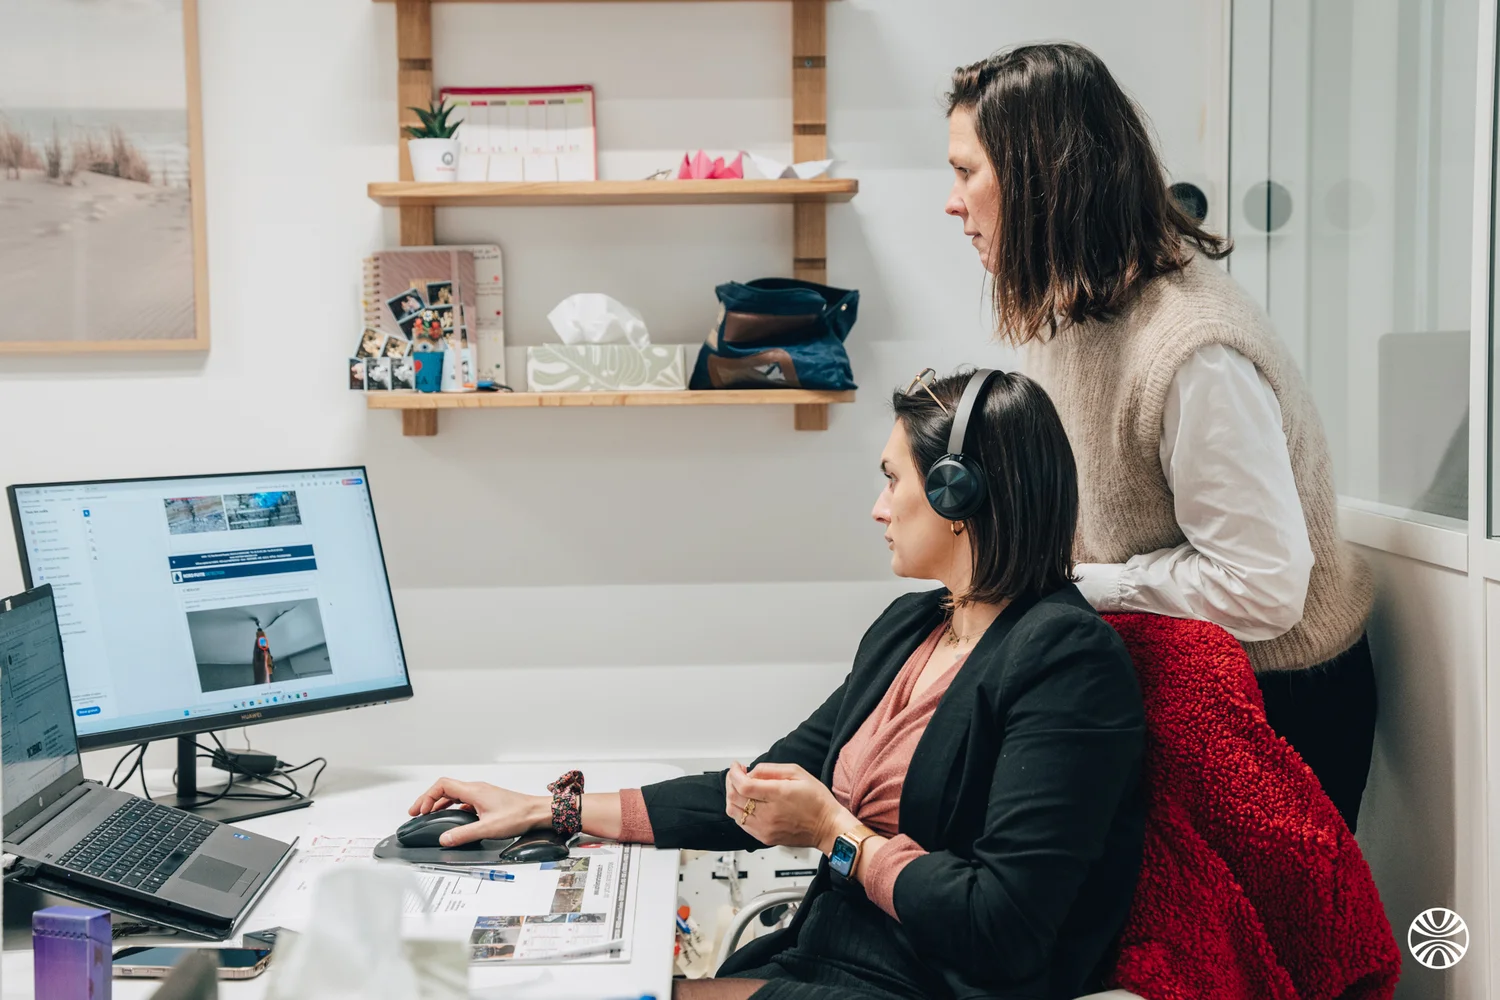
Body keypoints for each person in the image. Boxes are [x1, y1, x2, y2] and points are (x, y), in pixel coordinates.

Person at [411, 369, 1147, 1000]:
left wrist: (835, 833)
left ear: (958, 495)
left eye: (893, 480)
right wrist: (554, 810)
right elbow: (755, 791)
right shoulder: (912, 627)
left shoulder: (1066, 661)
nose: (878, 507)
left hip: (928, 982)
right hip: (832, 957)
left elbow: (1004, 927)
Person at [942, 43, 1376, 831]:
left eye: (967, 172)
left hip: (1276, 703)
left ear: (1042, 177)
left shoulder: (1191, 348)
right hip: (1175, 676)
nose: (952, 202)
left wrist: (1094, 586)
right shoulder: (1064, 311)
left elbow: (1262, 587)